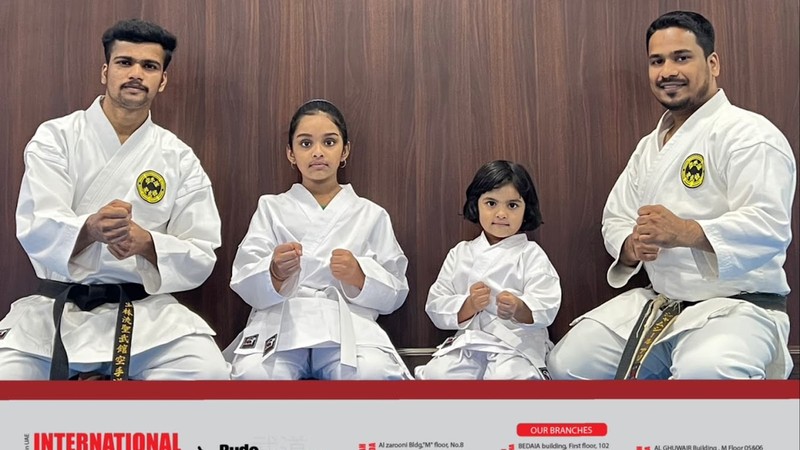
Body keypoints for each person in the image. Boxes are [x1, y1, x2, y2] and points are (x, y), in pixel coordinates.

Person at [547, 11, 796, 380]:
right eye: (657, 61)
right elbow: (616, 216)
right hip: (663, 304)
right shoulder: (649, 147)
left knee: (705, 371)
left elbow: (769, 226)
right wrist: (631, 246)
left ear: (712, 63)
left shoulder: (749, 134)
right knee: (569, 364)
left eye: (681, 57)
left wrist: (686, 232)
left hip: (738, 308)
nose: (667, 71)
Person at [0, 19, 230, 380]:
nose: (136, 73)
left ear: (162, 80)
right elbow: (35, 224)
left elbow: (201, 252)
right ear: (105, 72)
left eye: (149, 66)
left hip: (144, 316)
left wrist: (148, 243)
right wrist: (88, 229)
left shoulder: (179, 157)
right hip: (57, 310)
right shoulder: (56, 137)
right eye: (125, 62)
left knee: (208, 373)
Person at [226, 99, 411, 380]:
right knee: (256, 375)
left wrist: (360, 276)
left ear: (344, 150)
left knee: (371, 372)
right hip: (283, 319)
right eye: (305, 143)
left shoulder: (371, 214)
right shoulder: (271, 207)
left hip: (347, 324)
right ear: (290, 153)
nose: (317, 152)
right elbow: (243, 275)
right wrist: (274, 272)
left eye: (329, 142)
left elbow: (396, 289)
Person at [415, 160, 561, 380]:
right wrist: (469, 305)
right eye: (491, 203)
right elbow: (436, 304)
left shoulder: (531, 254)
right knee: (438, 375)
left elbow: (547, 304)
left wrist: (519, 308)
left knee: (508, 379)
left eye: (512, 205)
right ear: (476, 205)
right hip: (470, 342)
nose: (501, 213)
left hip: (515, 344)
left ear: (526, 209)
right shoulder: (461, 253)